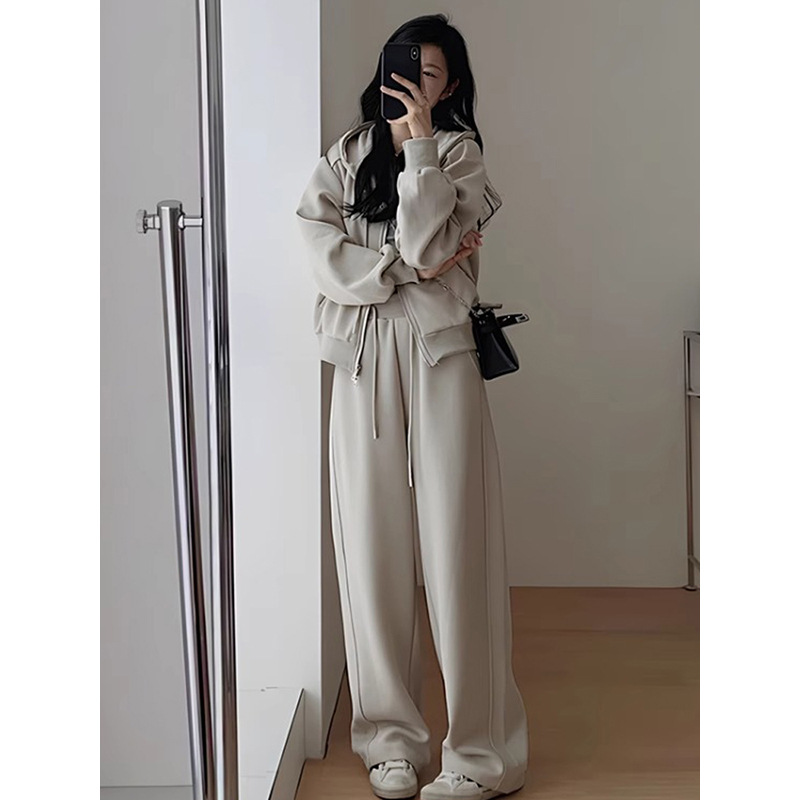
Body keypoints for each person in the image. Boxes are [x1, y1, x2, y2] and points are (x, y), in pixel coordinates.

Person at [294, 14, 529, 800]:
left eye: (430, 73)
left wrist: (420, 151)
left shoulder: (457, 154)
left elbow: (432, 245)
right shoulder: (348, 154)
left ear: (450, 85)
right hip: (362, 359)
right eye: (405, 67)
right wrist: (397, 269)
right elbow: (320, 251)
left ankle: (483, 756)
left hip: (439, 357)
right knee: (371, 550)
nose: (414, 83)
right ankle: (389, 742)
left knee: (459, 549)